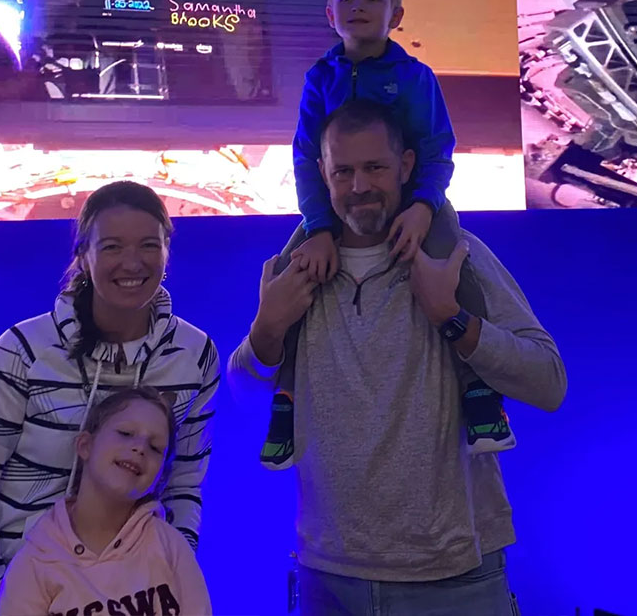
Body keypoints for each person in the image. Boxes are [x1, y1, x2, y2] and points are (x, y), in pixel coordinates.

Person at [228, 100, 567, 615]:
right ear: (322, 174)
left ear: (407, 166)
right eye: (344, 170)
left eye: (375, 168)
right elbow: (246, 397)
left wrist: (452, 317)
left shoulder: (458, 257)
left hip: (456, 577)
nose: (359, 186)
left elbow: (549, 382)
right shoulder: (292, 271)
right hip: (328, 578)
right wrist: (267, 327)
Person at [260, 0, 514, 470]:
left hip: (421, 206)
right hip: (328, 216)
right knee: (291, 278)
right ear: (329, 14)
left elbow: (438, 148)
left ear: (395, 16)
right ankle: (285, 405)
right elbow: (307, 158)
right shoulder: (318, 78)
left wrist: (423, 207)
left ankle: (480, 392)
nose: (358, 7)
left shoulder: (415, 77)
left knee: (453, 268)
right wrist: (321, 228)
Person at [0, 181, 219, 616]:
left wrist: (172, 578)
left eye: (149, 244)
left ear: (167, 253)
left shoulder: (194, 355)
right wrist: (1, 601)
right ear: (83, 256)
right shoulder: (22, 350)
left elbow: (183, 486)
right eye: (111, 246)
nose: (132, 262)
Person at [0, 387, 212, 616]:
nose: (139, 448)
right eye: (126, 433)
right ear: (85, 445)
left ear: (161, 476)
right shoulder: (35, 563)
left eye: (155, 447)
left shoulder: (171, 546)